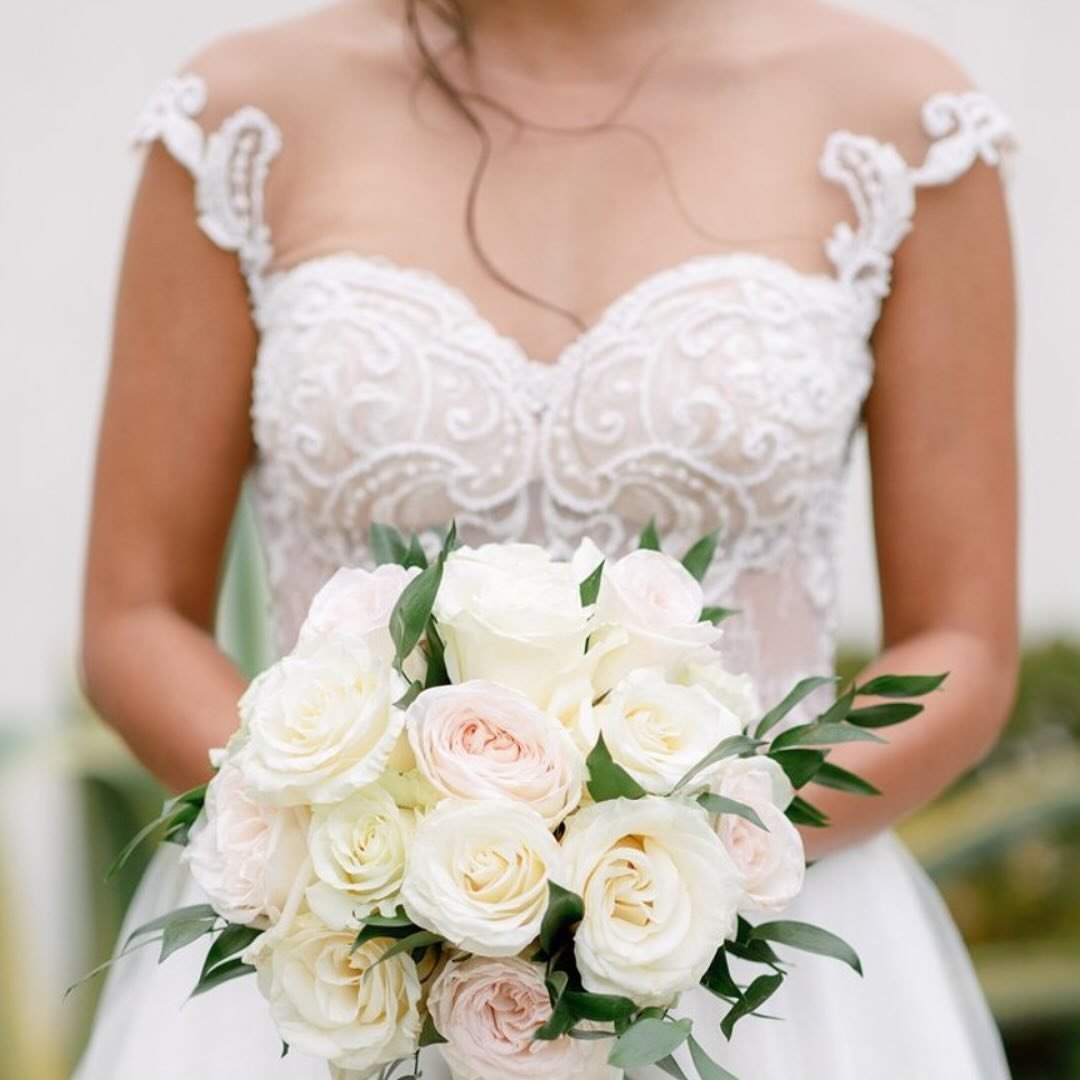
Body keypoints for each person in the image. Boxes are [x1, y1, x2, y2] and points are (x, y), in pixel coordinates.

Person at [75, 0, 1019, 1076]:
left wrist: (671, 853)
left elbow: (962, 645)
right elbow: (134, 614)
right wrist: (360, 851)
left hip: (751, 969)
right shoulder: (241, 120)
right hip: (335, 965)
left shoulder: (903, 126)